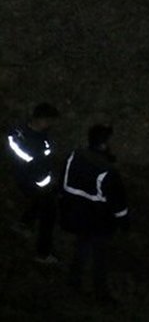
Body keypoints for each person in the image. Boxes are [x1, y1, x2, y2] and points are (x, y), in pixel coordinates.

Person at [60, 124, 129, 304]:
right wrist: (125, 222)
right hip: (99, 220)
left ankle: (73, 282)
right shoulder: (108, 171)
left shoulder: (74, 156)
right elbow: (118, 203)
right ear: (104, 144)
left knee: (81, 247)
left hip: (76, 213)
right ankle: (101, 292)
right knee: (100, 256)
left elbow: (64, 183)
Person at [6, 102, 60, 263]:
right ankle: (43, 253)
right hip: (29, 181)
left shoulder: (41, 135)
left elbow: (44, 159)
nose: (50, 124)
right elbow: (28, 161)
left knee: (39, 202)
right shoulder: (21, 136)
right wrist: (44, 184)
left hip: (41, 180)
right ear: (38, 119)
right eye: (48, 120)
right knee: (49, 214)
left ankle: (23, 224)